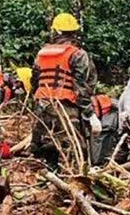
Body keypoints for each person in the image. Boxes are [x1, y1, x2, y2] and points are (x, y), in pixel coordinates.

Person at [30, 13, 98, 170]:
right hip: (65, 108)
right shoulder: (78, 54)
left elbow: (35, 82)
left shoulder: (41, 54)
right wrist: (90, 113)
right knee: (75, 149)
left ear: (56, 32)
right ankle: (74, 182)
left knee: (47, 148)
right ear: (74, 32)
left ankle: (48, 180)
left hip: (42, 106)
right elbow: (81, 88)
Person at [90, 92, 120, 165]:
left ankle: (97, 163)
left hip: (103, 123)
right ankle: (103, 161)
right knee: (106, 143)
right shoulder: (110, 100)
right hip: (109, 123)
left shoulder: (91, 102)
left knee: (97, 142)